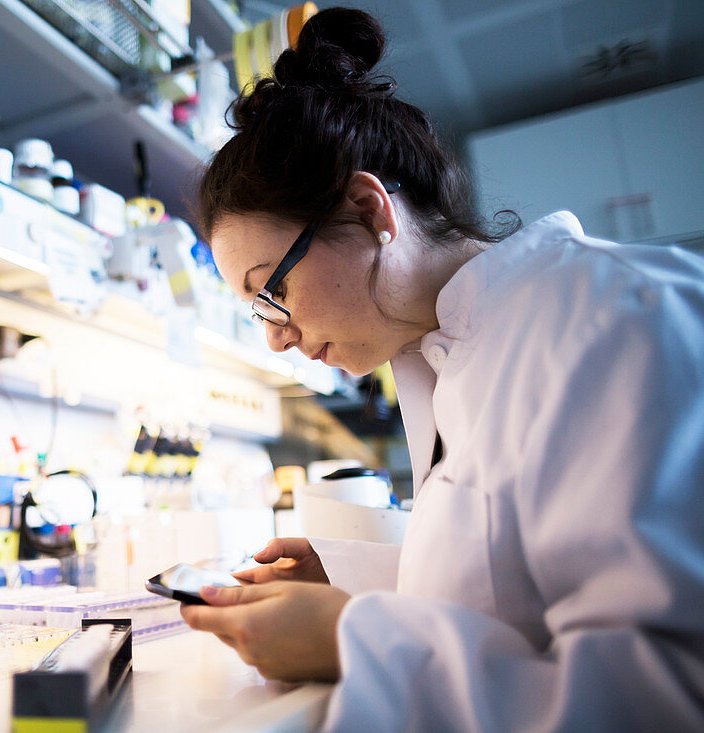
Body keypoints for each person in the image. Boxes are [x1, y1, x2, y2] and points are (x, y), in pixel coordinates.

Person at [180, 7, 704, 730]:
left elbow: (666, 690)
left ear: (369, 212)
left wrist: (347, 635)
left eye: (274, 291)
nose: (276, 339)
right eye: (260, 314)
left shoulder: (616, 319)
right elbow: (509, 583)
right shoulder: (446, 355)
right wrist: (345, 575)